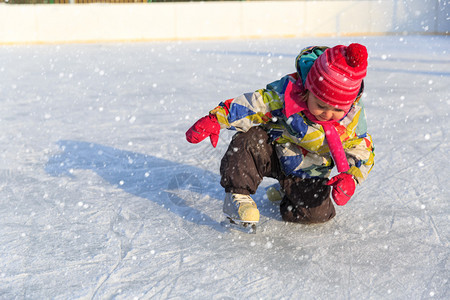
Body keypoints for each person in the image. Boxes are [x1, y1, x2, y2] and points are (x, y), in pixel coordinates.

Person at [185, 43, 374, 226]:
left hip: (307, 168)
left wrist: (351, 177)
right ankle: (238, 196)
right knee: (248, 141)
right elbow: (254, 104)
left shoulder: (350, 122)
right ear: (308, 90)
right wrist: (216, 119)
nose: (328, 113)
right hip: (272, 150)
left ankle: (288, 192)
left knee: (316, 214)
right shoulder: (288, 94)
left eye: (337, 109)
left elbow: (363, 150)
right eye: (321, 105)